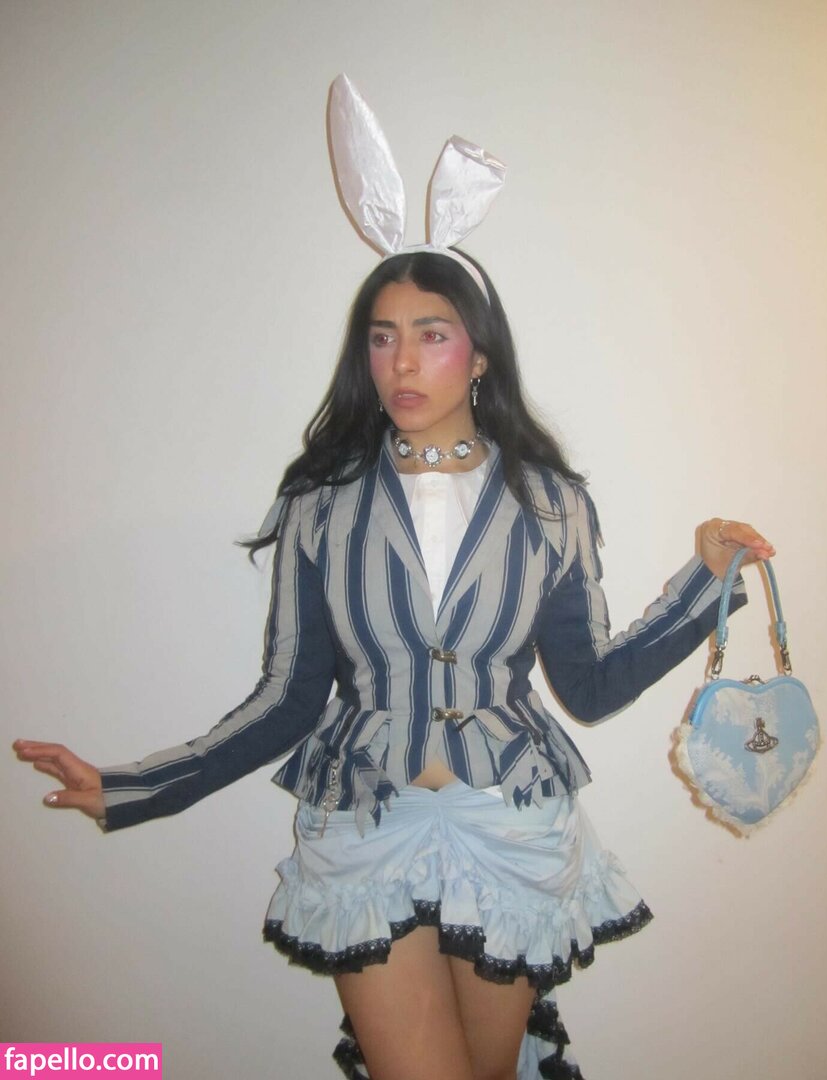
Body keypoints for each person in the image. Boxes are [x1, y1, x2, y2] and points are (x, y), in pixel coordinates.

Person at [14, 246, 773, 1080]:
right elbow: (287, 697)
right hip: (365, 826)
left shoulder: (552, 504)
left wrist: (706, 582)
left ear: (479, 355)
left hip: (509, 825)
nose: (402, 361)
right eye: (382, 337)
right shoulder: (320, 504)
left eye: (432, 334)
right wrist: (135, 788)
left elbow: (589, 687)